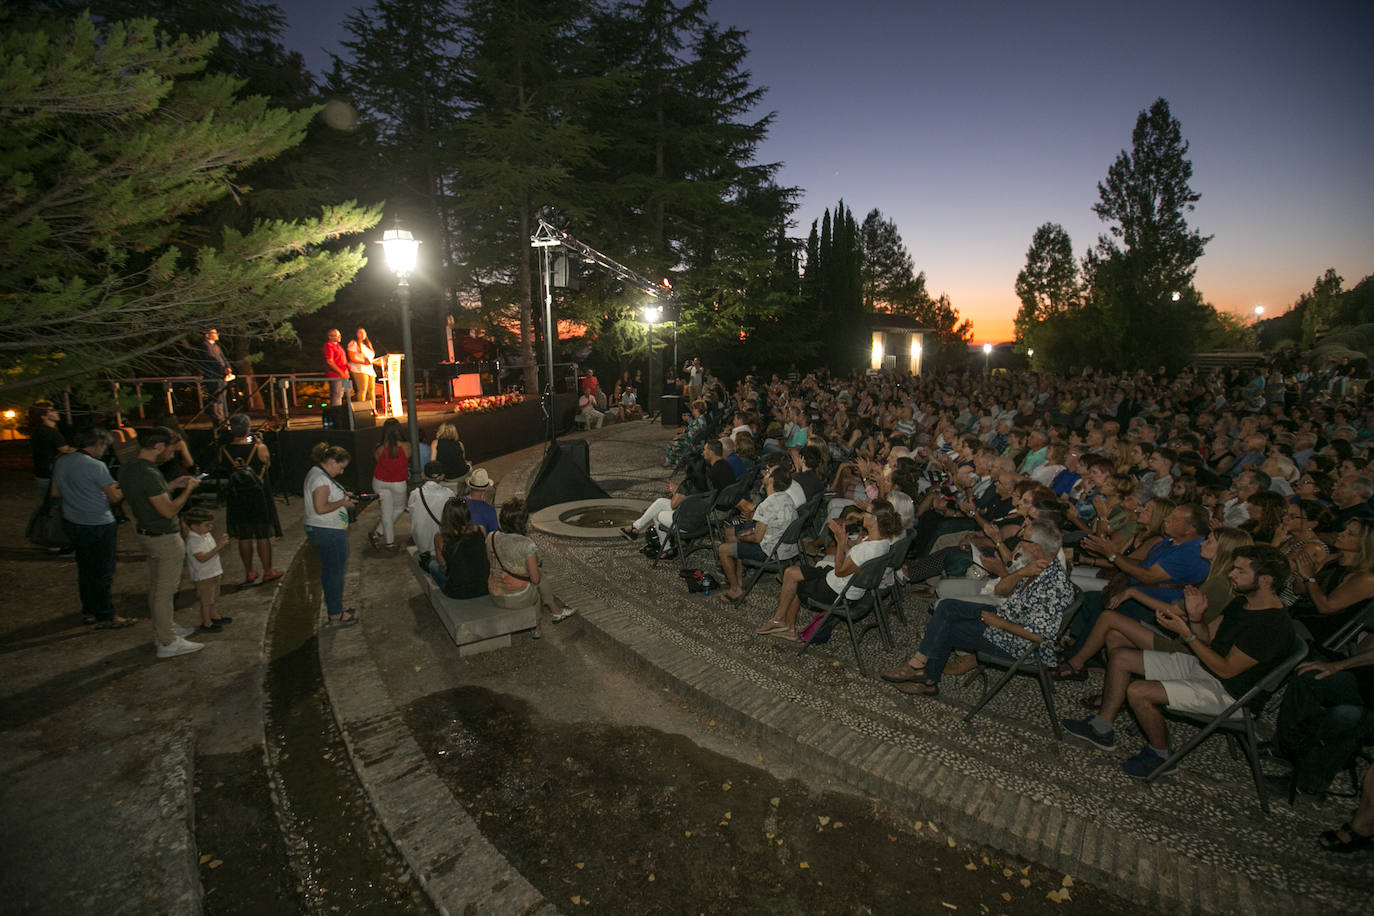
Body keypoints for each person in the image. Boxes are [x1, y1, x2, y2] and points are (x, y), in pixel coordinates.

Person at [1062, 545, 1297, 779]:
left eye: (1240, 571)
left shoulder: (1272, 626)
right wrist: (1195, 618)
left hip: (1230, 693)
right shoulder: (1243, 602)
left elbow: (1225, 670)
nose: (1231, 574)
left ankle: (1161, 755)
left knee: (1138, 692)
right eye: (1234, 568)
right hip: (1206, 667)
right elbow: (1208, 638)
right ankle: (1102, 727)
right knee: (1122, 656)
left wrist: (1187, 634)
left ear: (1266, 580)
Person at [881, 520, 1074, 696]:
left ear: (1037, 548)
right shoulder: (1035, 566)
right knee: (947, 607)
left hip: (1018, 642)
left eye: (1024, 539)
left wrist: (999, 623)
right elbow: (1001, 589)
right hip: (1006, 616)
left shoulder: (1053, 583)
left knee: (949, 628)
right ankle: (920, 665)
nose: (1020, 542)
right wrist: (1022, 572)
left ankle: (927, 678)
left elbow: (1040, 635)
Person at [757, 503, 903, 640]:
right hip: (845, 583)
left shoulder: (867, 549)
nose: (863, 514)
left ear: (874, 518)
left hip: (838, 591)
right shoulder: (883, 543)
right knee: (790, 572)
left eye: (866, 512)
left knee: (794, 579)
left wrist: (840, 543)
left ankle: (787, 626)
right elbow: (854, 562)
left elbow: (840, 571)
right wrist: (845, 543)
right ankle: (780, 620)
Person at [119, 426, 204, 658]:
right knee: (165, 591)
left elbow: (146, 494)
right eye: (170, 448)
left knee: (157, 587)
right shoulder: (150, 473)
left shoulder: (130, 467)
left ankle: (165, 628)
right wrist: (186, 491)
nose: (172, 453)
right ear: (158, 447)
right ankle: (167, 642)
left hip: (146, 533)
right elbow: (168, 511)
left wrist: (171, 486)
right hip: (163, 537)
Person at [51, 427, 131, 628]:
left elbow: (55, 492)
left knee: (85, 569)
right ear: (97, 444)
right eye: (104, 446)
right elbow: (114, 497)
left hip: (74, 521)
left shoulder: (62, 461)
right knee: (103, 571)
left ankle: (89, 611)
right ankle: (106, 614)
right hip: (99, 522)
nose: (104, 450)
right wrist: (125, 487)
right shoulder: (96, 466)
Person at [486, 498, 576, 638]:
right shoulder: (527, 544)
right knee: (538, 579)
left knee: (531, 577)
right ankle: (539, 625)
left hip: (495, 593)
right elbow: (534, 580)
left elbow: (490, 563)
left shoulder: (491, 537)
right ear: (523, 521)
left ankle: (553, 613)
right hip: (518, 597)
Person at [715, 464, 799, 604]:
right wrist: (749, 532)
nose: (764, 474)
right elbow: (771, 526)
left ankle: (735, 589)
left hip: (770, 551)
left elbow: (757, 538)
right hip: (786, 549)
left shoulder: (766, 505)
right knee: (742, 534)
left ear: (771, 481)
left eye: (767, 473)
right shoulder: (787, 498)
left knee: (724, 549)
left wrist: (742, 536)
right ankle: (739, 579)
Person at [219, 413, 283, 584]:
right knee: (262, 534)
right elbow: (267, 463)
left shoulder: (224, 450)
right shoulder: (258, 448)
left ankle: (249, 571)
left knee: (244, 535)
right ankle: (267, 570)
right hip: (258, 494)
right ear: (247, 428)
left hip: (237, 496)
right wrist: (260, 443)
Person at [304, 442, 358, 626]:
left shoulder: (317, 473)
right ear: (332, 461)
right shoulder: (321, 480)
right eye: (341, 467)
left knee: (331, 572)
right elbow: (321, 507)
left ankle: (336, 608)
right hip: (329, 531)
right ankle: (336, 614)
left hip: (326, 530)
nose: (342, 472)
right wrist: (343, 502)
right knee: (334, 573)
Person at [182, 507, 232, 633]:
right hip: (203, 575)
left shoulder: (205, 534)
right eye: (206, 525)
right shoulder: (193, 540)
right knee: (205, 600)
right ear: (194, 527)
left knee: (213, 597)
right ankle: (206, 622)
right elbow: (202, 558)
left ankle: (214, 616)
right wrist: (219, 546)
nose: (211, 526)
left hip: (213, 571)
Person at [430, 498, 488, 598]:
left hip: (457, 592)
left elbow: (442, 563)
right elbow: (485, 556)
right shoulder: (480, 529)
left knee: (432, 565)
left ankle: (437, 582)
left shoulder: (440, 537)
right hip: (484, 587)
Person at [368, 421, 411, 550]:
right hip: (398, 483)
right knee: (398, 508)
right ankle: (382, 537)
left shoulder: (379, 448)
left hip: (379, 482)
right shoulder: (406, 446)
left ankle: (384, 538)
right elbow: (407, 459)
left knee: (386, 511)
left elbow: (378, 461)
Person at [408, 461, 452, 553]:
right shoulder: (449, 494)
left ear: (423, 475)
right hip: (442, 545)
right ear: (442, 476)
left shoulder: (415, 494)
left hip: (422, 545)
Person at [30, 403, 73, 497]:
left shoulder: (38, 431)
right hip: (52, 476)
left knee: (48, 504)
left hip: (41, 474)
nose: (56, 412)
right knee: (58, 504)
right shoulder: (51, 433)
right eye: (52, 411)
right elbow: (66, 450)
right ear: (43, 416)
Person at [199, 328, 233, 425]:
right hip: (213, 376)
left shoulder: (216, 346)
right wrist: (223, 369)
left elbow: (223, 358)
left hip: (221, 376)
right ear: (207, 335)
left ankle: (223, 418)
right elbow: (211, 359)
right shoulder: (205, 346)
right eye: (214, 333)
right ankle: (218, 420)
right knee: (216, 397)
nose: (217, 334)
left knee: (221, 398)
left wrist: (228, 368)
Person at [429, 422, 470, 489]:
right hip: (463, 473)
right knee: (469, 465)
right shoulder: (460, 444)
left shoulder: (435, 443)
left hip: (447, 476)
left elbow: (433, 463)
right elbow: (463, 460)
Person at [347, 327, 378, 405]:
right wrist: (363, 362)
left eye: (364, 332)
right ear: (356, 334)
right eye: (360, 332)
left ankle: (373, 409)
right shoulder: (353, 343)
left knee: (371, 390)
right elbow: (351, 358)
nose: (362, 334)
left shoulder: (367, 345)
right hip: (359, 369)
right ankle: (363, 410)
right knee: (362, 390)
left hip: (369, 369)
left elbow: (371, 359)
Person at [464, 468, 499, 534]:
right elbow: (493, 535)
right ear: (485, 489)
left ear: (469, 486)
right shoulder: (489, 510)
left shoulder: (459, 503)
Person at [323, 328, 349, 407]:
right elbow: (329, 361)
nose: (339, 337)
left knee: (340, 396)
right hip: (336, 375)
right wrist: (341, 373)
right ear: (330, 337)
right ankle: (336, 415)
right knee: (336, 397)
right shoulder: (328, 346)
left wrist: (348, 366)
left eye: (339, 335)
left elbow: (341, 359)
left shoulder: (338, 346)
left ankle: (337, 414)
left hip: (343, 374)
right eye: (336, 335)